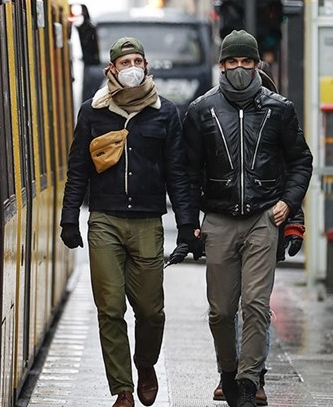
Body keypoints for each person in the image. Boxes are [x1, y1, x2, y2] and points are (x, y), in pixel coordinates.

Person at [61, 37, 201, 407]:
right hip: (104, 220)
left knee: (151, 311)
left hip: (147, 222)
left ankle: (145, 363)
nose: (132, 67)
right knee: (109, 308)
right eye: (125, 62)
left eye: (138, 60)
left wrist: (187, 227)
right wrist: (69, 218)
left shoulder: (164, 113)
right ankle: (122, 388)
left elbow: (178, 173)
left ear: (147, 67)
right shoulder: (92, 112)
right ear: (112, 69)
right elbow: (78, 170)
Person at [181, 30, 312, 407]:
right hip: (219, 219)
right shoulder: (201, 111)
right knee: (221, 309)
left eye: (247, 61)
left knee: (255, 303)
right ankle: (228, 370)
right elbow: (188, 172)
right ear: (222, 65)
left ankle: (248, 381)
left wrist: (289, 204)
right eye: (233, 62)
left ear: (258, 64)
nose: (240, 68)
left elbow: (300, 161)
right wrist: (190, 224)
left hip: (263, 218)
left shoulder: (279, 109)